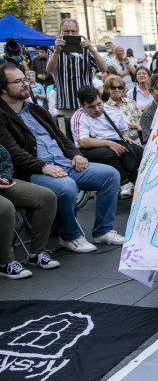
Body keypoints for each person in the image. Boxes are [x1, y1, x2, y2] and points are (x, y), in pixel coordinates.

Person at [0, 63, 124, 253]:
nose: (26, 84)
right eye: (18, 81)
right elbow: (12, 152)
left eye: (25, 79)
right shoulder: (2, 116)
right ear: (3, 87)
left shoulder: (36, 110)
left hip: (64, 163)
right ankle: (70, 236)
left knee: (111, 175)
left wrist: (76, 154)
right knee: (66, 186)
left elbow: (61, 138)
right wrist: (42, 167)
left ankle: (102, 231)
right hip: (32, 171)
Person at [0, 143, 59, 278]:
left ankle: (37, 253)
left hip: (3, 180)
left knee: (46, 197)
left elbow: (4, 156)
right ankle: (4, 262)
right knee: (5, 207)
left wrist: (4, 177)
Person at [72, 85, 142, 199]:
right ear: (82, 106)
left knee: (138, 150)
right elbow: (83, 141)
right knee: (108, 153)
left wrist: (125, 137)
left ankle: (135, 181)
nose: (97, 109)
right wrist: (110, 144)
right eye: (91, 107)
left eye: (99, 104)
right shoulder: (79, 116)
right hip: (91, 146)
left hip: (115, 141)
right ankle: (124, 184)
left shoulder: (112, 111)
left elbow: (123, 130)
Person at [46, 18, 108, 121]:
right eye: (66, 31)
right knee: (68, 134)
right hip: (65, 104)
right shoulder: (53, 49)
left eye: (73, 31)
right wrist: (57, 52)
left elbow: (103, 68)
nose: (70, 34)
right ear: (60, 32)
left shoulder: (85, 49)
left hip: (88, 104)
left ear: (78, 32)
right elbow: (49, 71)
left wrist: (92, 49)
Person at [104, 74, 142, 143]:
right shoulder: (105, 108)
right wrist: (134, 125)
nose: (117, 90)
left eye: (120, 87)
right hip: (121, 139)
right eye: (113, 88)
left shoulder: (131, 102)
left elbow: (140, 118)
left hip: (138, 135)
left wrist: (136, 125)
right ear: (108, 90)